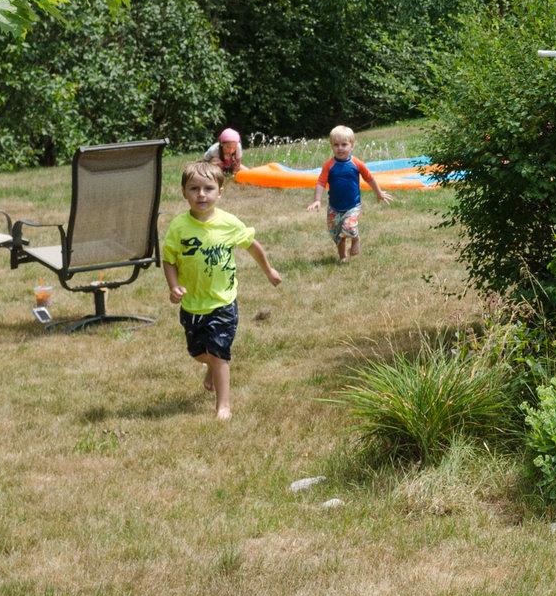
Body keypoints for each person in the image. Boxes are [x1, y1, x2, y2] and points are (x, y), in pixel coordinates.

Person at [161, 162, 280, 422]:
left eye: (208, 188)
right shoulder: (179, 227)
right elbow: (168, 259)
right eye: (194, 189)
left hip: (223, 301)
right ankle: (212, 366)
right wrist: (173, 286)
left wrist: (268, 271)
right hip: (192, 304)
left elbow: (252, 245)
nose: (201, 194)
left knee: (219, 354)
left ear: (220, 193)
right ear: (183, 193)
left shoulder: (228, 223)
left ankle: (223, 406)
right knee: (198, 353)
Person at [305, 124, 391, 262]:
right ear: (331, 146)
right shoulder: (329, 165)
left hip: (352, 206)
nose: (340, 148)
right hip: (334, 207)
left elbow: (369, 178)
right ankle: (342, 257)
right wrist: (317, 200)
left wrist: (379, 193)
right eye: (336, 145)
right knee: (337, 234)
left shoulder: (356, 163)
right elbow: (321, 182)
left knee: (349, 227)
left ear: (352, 145)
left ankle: (356, 238)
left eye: (344, 144)